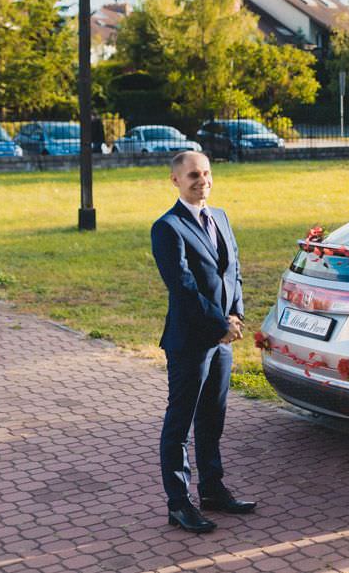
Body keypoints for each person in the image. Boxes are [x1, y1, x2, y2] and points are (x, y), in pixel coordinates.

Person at [151, 151, 255, 534]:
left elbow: (234, 270)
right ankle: (179, 504)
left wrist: (236, 316)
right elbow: (183, 287)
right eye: (194, 175)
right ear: (175, 180)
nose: (203, 181)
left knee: (213, 419)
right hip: (190, 341)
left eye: (207, 173)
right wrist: (218, 323)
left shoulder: (221, 217)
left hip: (223, 339)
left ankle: (212, 490)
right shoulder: (167, 227)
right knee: (179, 423)